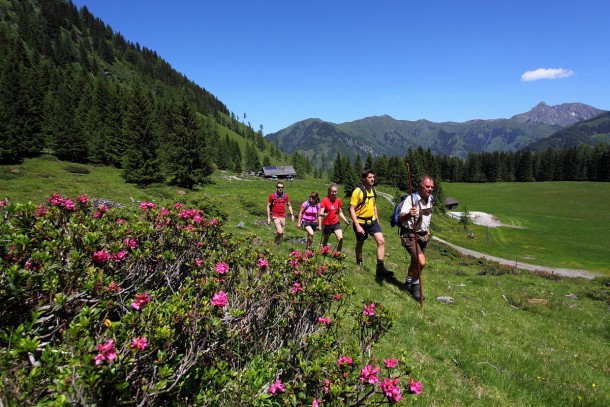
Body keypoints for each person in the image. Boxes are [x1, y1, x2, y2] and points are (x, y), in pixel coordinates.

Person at [349, 169, 392, 277]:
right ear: (364, 179)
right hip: (360, 222)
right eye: (370, 177)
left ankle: (380, 268)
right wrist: (357, 226)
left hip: (372, 221)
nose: (372, 179)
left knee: (381, 241)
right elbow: (351, 209)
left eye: (373, 177)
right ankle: (359, 260)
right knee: (360, 242)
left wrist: (377, 218)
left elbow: (373, 205)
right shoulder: (357, 191)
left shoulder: (372, 190)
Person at [398, 175, 434, 301]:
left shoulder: (430, 199)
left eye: (432, 187)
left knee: (415, 260)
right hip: (409, 234)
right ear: (420, 186)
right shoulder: (411, 200)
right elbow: (401, 217)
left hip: (423, 235)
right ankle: (415, 287)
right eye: (427, 187)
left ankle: (408, 282)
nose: (430, 189)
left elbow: (427, 216)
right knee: (421, 262)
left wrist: (427, 229)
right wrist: (409, 214)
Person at [319, 183, 350, 253]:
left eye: (335, 191)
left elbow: (340, 212)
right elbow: (321, 213)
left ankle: (337, 255)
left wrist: (345, 220)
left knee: (340, 238)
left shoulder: (338, 200)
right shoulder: (325, 200)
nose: (334, 193)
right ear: (329, 192)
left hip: (335, 222)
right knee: (326, 238)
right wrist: (324, 214)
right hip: (327, 223)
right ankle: (323, 251)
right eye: (332, 191)